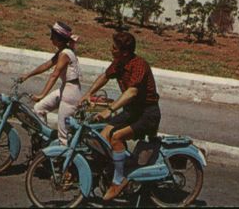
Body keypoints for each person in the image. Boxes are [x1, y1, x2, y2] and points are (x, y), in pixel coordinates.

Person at [79, 31, 161, 201]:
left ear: (124, 52)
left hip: (148, 113)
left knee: (116, 137)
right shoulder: (119, 62)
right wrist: (88, 93)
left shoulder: (139, 65)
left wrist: (110, 109)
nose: (111, 49)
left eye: (114, 48)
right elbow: (105, 76)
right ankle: (118, 166)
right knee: (103, 134)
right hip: (132, 111)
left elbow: (132, 92)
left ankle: (118, 181)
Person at [16, 22, 82, 145]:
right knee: (38, 109)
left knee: (63, 134)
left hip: (71, 93)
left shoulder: (65, 54)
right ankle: (46, 142)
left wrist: (42, 94)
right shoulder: (62, 51)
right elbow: (46, 65)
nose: (51, 38)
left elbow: (54, 75)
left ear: (60, 39)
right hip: (65, 89)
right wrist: (27, 75)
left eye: (53, 36)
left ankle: (62, 159)